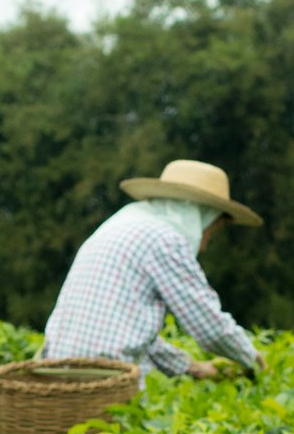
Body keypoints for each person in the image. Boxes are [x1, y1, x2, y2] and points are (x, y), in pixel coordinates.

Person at [43, 159, 266, 381]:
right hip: (109, 378)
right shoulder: (166, 239)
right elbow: (208, 324)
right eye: (209, 230)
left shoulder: (123, 223)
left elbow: (126, 330)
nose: (205, 243)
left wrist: (192, 367)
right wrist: (253, 360)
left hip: (56, 369)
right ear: (200, 215)